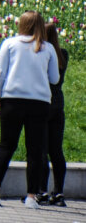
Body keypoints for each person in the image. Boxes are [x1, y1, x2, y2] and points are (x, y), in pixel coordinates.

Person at [0, 10, 60, 209]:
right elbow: (54, 79)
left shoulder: (9, 44)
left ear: (21, 24)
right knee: (35, 150)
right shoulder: (48, 48)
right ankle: (31, 196)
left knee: (6, 145)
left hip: (11, 100)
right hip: (39, 103)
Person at [40, 22, 69, 206]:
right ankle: (58, 192)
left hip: (42, 104)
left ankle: (41, 190)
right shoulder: (63, 55)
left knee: (40, 151)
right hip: (58, 105)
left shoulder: (42, 55)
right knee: (56, 151)